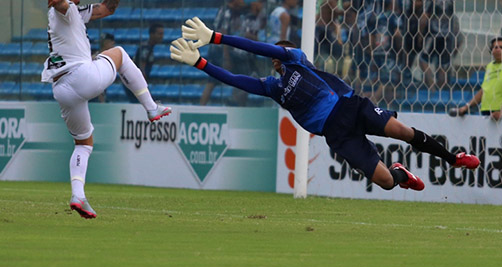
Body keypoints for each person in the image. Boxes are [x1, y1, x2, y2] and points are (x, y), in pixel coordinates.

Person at [170, 19, 482, 192]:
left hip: (352, 107)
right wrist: (201, 62)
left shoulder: (298, 60)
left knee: (403, 132)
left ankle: (453, 159)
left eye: (280, 50)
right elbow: (237, 79)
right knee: (386, 182)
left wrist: (217, 37)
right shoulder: (272, 88)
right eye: (276, 53)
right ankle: (401, 173)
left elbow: (257, 47)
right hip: (338, 135)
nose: (277, 53)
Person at [43, 0, 171, 219]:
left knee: (83, 144)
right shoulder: (64, 10)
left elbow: (108, 8)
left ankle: (78, 195)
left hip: (62, 88)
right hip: (81, 76)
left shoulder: (75, 12)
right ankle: (151, 108)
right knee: (120, 54)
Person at [200, 0, 245, 105]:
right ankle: (202, 107)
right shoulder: (227, 12)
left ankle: (233, 101)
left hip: (218, 49)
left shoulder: (229, 11)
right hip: (219, 50)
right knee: (213, 81)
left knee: (215, 80)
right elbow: (223, 33)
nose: (242, 1)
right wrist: (226, 56)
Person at [450, 37, 502, 120]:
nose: (498, 49)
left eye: (501, 47)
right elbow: (484, 90)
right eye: (495, 47)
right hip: (487, 110)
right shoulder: (490, 66)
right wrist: (467, 107)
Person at [125, 23, 164, 103]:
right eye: (159, 34)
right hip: (134, 81)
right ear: (151, 34)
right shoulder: (146, 48)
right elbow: (142, 65)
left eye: (162, 34)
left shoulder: (149, 47)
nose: (161, 36)